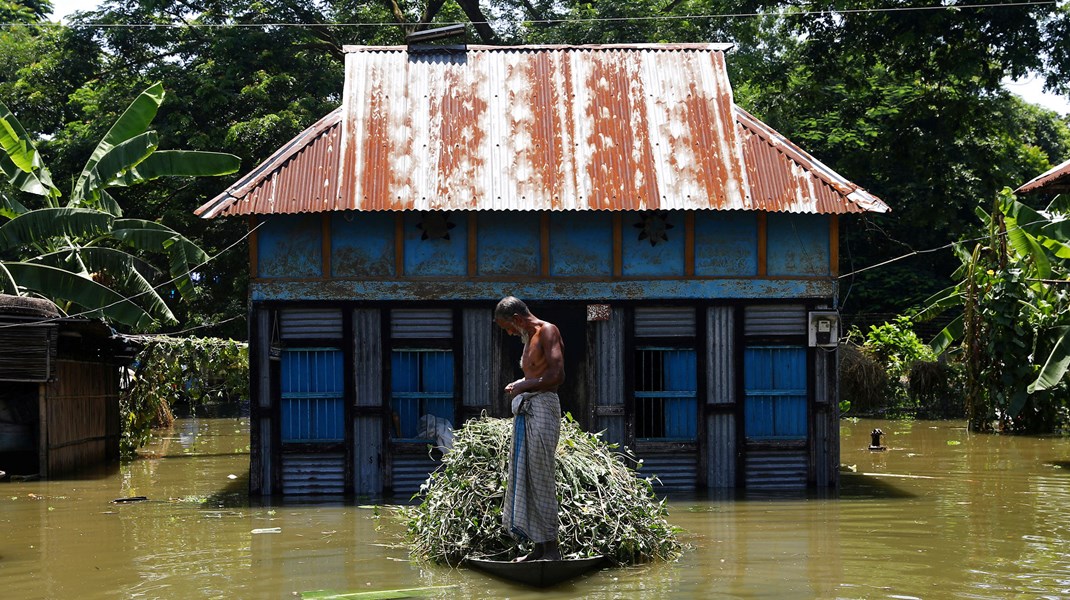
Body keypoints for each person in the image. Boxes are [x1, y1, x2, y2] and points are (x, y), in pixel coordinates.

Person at [494, 296, 564, 562]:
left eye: (509, 328)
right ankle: (538, 548)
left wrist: (524, 386)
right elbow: (538, 375)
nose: (511, 333)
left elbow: (557, 375)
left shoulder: (548, 331)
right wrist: (523, 382)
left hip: (544, 408)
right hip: (530, 409)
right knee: (526, 475)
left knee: (541, 476)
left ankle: (552, 549)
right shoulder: (528, 339)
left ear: (517, 320)